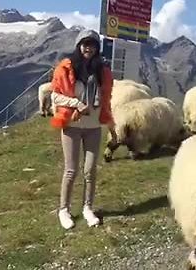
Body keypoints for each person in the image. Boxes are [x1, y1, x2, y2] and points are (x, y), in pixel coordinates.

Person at [50, 29, 117, 229]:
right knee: (71, 170)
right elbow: (55, 95)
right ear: (79, 46)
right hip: (72, 125)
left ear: (97, 48)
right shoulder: (66, 68)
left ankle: (88, 207)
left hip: (94, 126)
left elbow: (106, 100)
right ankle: (64, 209)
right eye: (85, 44)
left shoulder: (103, 71)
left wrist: (112, 127)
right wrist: (76, 104)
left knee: (90, 170)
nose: (88, 48)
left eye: (93, 44)